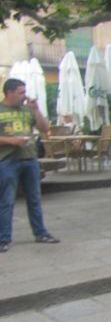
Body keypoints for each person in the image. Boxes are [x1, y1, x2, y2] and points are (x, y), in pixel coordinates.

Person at [0, 78, 59, 253]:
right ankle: (4, 238)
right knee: (7, 201)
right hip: (7, 161)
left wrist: (36, 110)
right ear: (9, 93)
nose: (24, 96)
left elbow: (45, 128)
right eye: (21, 92)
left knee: (34, 198)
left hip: (30, 159)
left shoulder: (27, 109)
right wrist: (12, 140)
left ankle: (41, 233)